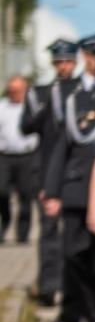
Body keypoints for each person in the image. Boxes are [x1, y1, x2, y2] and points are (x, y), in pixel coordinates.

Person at [43, 44, 95, 322]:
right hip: (78, 188)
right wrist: (52, 190)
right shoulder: (80, 100)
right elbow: (62, 147)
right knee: (75, 255)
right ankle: (89, 311)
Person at [23, 38, 82, 305]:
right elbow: (26, 127)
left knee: (73, 235)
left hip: (75, 174)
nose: (64, 66)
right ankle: (49, 287)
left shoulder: (82, 92)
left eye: (68, 61)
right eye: (59, 62)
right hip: (47, 170)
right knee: (48, 231)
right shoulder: (41, 93)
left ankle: (71, 292)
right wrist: (43, 109)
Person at [0, 75, 40, 244]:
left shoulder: (33, 107)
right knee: (2, 191)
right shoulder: (2, 107)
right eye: (12, 91)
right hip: (5, 157)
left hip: (27, 156)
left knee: (25, 194)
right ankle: (5, 221)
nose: (15, 94)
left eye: (19, 91)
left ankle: (22, 235)